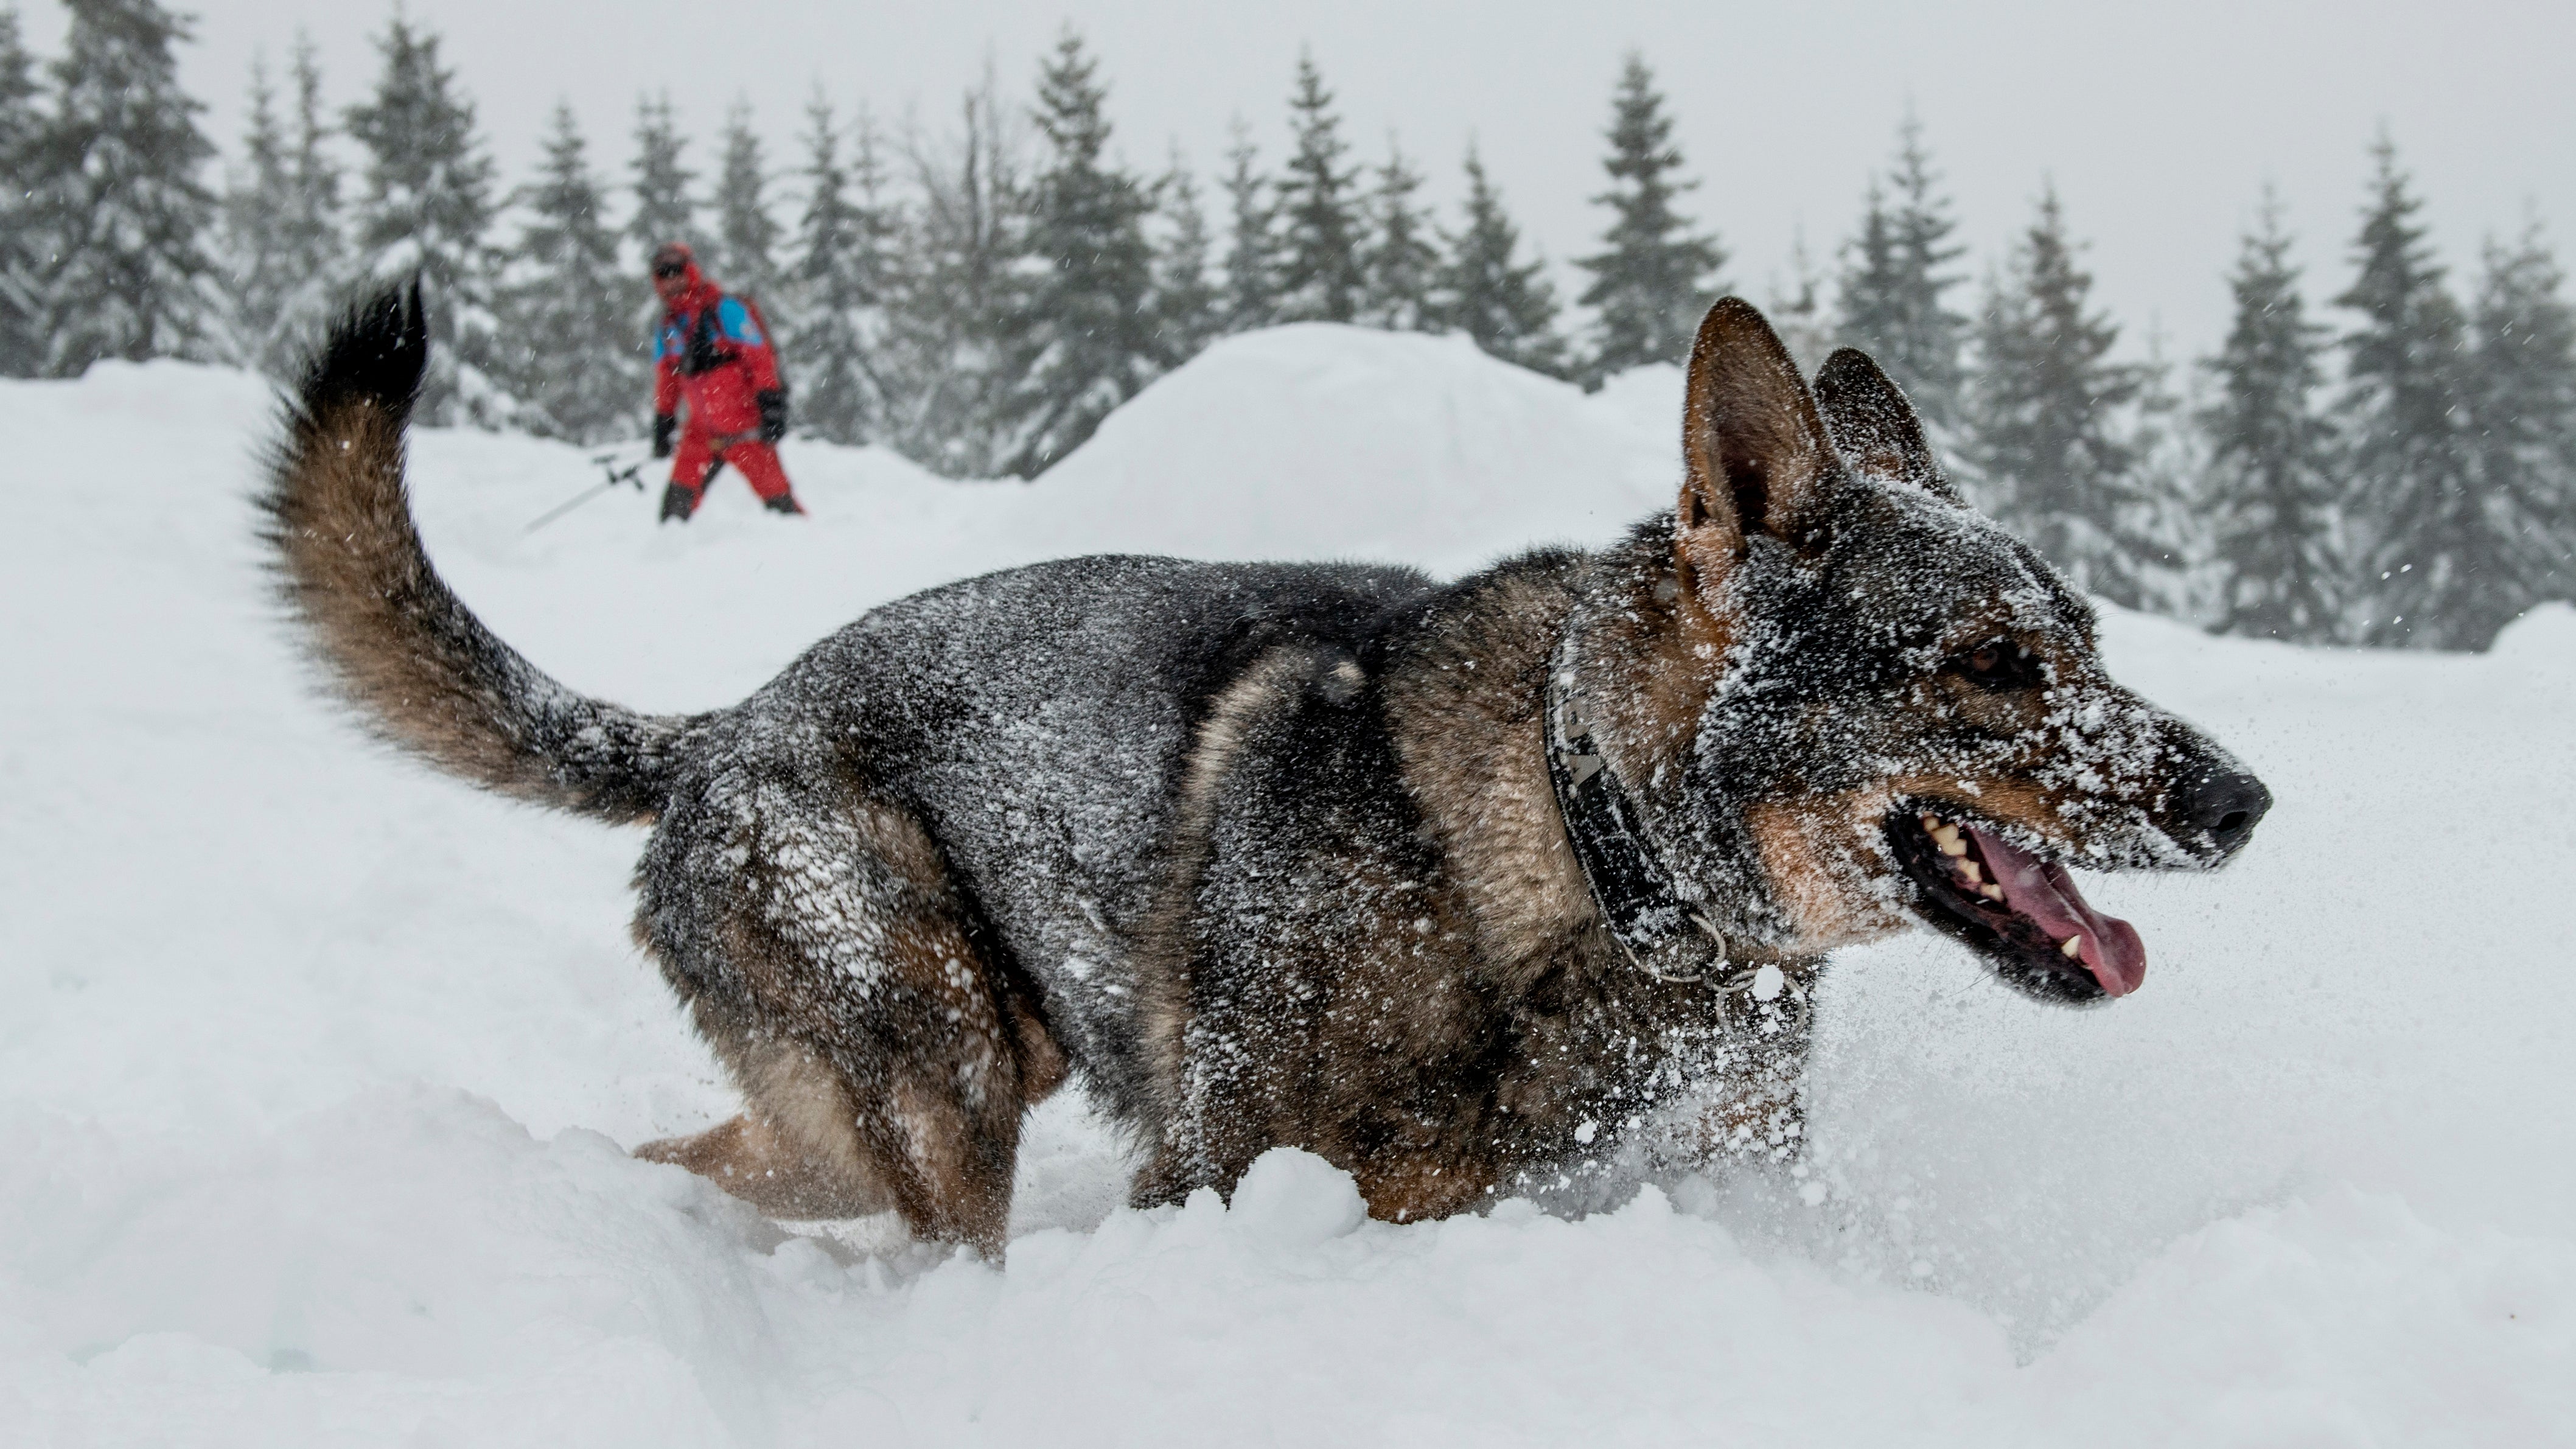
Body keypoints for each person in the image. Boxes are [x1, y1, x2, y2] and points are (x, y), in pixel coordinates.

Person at [647, 242, 803, 521]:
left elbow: (760, 359)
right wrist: (664, 421)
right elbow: (667, 382)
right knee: (673, 515)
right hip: (700, 434)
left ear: (691, 271)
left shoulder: (724, 309)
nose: (673, 281)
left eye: (677, 272)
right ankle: (670, 563)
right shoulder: (667, 328)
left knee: (783, 510)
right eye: (664, 275)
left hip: (746, 429)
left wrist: (772, 404)